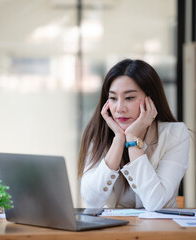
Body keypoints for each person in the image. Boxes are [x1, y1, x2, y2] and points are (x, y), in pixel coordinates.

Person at [78, 59, 189, 211]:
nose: (119, 108)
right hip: (114, 232)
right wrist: (118, 140)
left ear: (151, 100)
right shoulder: (97, 133)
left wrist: (132, 139)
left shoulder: (175, 134)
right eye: (113, 98)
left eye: (129, 98)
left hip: (160, 231)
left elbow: (155, 203)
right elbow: (92, 201)